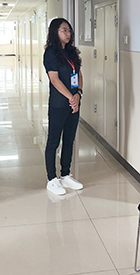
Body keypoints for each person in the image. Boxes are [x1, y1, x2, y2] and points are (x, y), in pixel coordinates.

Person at [43, 18, 84, 195]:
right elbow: (54, 79)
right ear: (55, 32)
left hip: (73, 104)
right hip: (59, 104)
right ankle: (52, 179)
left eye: (69, 30)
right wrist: (71, 98)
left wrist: (78, 94)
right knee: (54, 141)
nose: (68, 34)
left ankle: (65, 174)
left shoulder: (71, 52)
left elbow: (79, 74)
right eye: (64, 30)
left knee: (69, 140)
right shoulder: (50, 53)